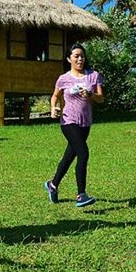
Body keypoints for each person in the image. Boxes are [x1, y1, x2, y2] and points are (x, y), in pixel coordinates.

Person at [44, 43, 104, 208]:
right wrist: (53, 108)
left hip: (85, 123)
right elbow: (55, 96)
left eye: (82, 56)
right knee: (83, 153)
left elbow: (101, 98)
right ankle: (81, 195)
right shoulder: (63, 78)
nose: (80, 59)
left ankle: (53, 185)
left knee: (69, 157)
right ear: (69, 58)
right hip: (68, 121)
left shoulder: (94, 75)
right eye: (76, 56)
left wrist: (91, 94)